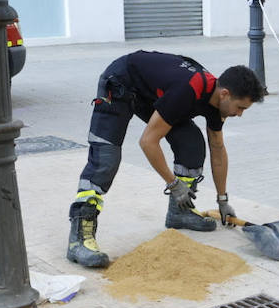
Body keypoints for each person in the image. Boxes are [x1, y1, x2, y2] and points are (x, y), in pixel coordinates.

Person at [66, 51, 265, 268]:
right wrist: (173, 184)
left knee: (191, 144)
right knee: (106, 159)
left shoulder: (216, 101)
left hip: (153, 93)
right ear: (225, 94)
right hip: (121, 81)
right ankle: (79, 238)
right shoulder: (186, 90)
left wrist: (222, 200)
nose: (240, 114)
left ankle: (179, 213)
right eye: (241, 107)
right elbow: (148, 142)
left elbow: (217, 148)